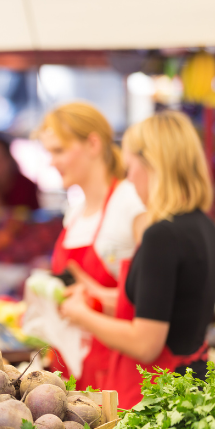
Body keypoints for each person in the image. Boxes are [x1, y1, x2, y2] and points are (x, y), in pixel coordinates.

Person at [61, 111, 215, 408]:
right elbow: (167, 303)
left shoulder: (162, 235)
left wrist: (82, 316)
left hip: (154, 398)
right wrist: (98, 295)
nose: (129, 179)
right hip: (189, 390)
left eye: (130, 167)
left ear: (153, 165)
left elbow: (145, 343)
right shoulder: (203, 226)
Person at [36, 102, 146, 391]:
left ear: (93, 144)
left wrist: (93, 300)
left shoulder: (130, 203)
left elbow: (151, 299)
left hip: (121, 371)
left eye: (58, 151)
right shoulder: (75, 212)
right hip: (75, 365)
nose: (51, 162)